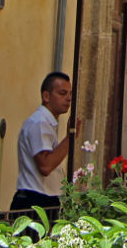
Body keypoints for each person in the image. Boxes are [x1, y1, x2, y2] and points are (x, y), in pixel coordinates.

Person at [11, 71, 83, 213]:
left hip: (43, 199)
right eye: (62, 93)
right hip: (34, 201)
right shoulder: (39, 123)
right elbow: (45, 165)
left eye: (70, 94)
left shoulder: (45, 123)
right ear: (46, 96)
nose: (68, 98)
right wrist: (70, 138)